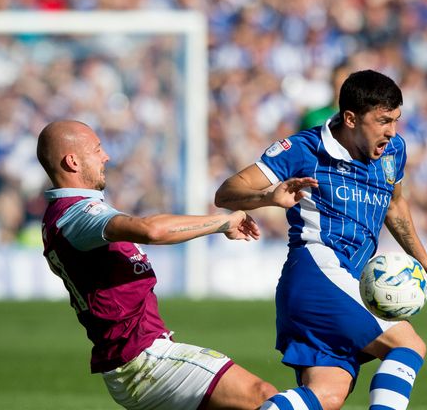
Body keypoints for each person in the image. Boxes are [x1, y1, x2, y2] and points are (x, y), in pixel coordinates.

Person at [215, 70, 427, 410]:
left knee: (327, 396)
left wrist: (423, 259)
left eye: (395, 120)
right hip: (317, 273)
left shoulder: (393, 150)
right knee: (407, 345)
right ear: (351, 118)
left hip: (348, 280)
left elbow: (394, 204)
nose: (391, 131)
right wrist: (269, 197)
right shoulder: (305, 149)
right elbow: (227, 193)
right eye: (382, 121)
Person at [36, 120, 277, 410]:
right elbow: (152, 230)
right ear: (72, 161)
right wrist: (223, 221)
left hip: (136, 360)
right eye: (97, 149)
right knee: (261, 395)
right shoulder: (76, 214)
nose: (106, 156)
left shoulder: (67, 215)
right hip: (142, 361)